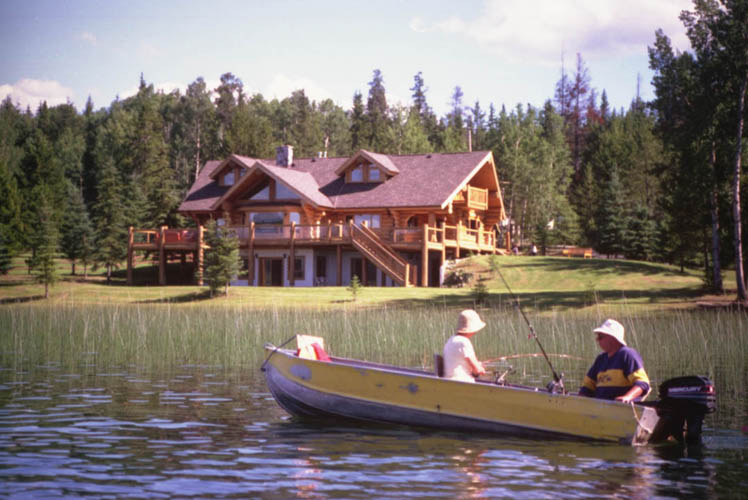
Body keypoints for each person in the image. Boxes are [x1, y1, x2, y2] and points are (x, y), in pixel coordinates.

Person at [579, 319, 650, 403]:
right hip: (600, 409)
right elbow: (588, 386)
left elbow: (643, 383)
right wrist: (581, 397)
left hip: (623, 409)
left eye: (600, 337)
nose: (597, 340)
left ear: (613, 338)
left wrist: (627, 397)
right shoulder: (600, 359)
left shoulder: (627, 355)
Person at [443, 309, 487, 383]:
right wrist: (480, 368)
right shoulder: (464, 342)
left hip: (450, 382)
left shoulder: (450, 340)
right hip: (464, 383)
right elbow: (478, 370)